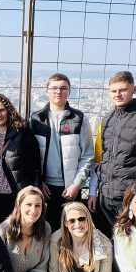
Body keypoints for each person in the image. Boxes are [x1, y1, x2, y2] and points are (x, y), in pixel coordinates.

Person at [88, 71, 136, 238]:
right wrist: (93, 192)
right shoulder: (106, 120)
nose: (118, 94)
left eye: (123, 89)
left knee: (131, 245)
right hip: (105, 199)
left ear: (134, 89)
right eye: (114, 91)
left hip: (130, 200)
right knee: (106, 244)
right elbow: (98, 159)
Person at [29, 73, 95, 231]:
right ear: (47, 91)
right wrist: (39, 182)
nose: (58, 92)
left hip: (70, 188)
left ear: (69, 92)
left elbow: (88, 155)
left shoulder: (79, 119)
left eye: (63, 88)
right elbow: (30, 156)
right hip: (44, 187)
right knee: (44, 230)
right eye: (54, 88)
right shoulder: (35, 119)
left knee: (71, 230)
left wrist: (76, 184)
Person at [0, 93, 42, 228]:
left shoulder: (22, 132)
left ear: (9, 111)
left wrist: (36, 190)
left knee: (15, 231)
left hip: (16, 193)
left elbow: (34, 164)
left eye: (2, 110)